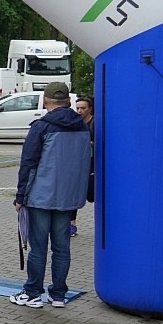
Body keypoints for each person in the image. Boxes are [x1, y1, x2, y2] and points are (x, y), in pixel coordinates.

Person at [10, 82, 89, 309]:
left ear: (45, 101)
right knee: (62, 247)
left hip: (41, 196)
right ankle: (58, 295)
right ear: (68, 101)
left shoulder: (41, 127)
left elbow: (29, 163)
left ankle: (33, 293)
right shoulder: (82, 127)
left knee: (39, 246)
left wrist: (20, 196)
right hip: (68, 197)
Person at [71, 95, 95, 236]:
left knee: (93, 196)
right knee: (73, 195)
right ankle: (72, 224)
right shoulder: (75, 124)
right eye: (78, 108)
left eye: (83, 108)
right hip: (78, 165)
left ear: (90, 109)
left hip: (93, 166)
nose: (79, 111)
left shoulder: (95, 124)